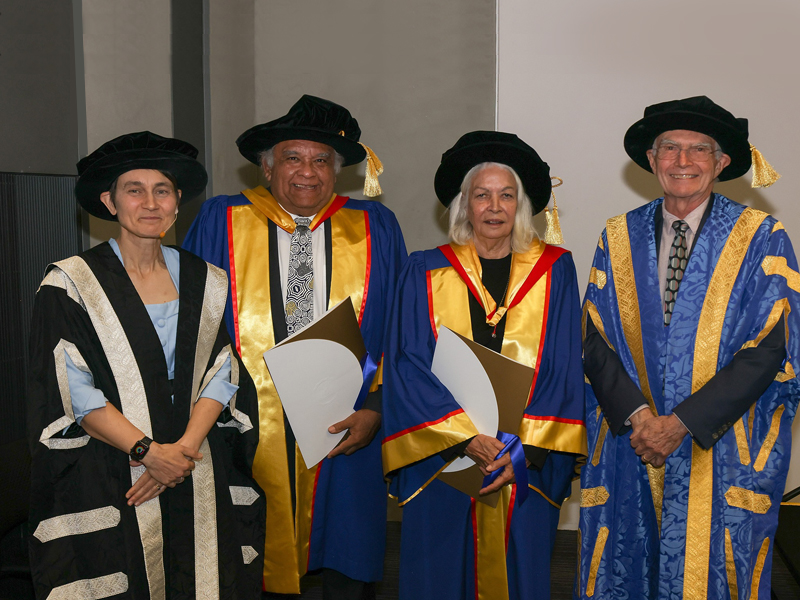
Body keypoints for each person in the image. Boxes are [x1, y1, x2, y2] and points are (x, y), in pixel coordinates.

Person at [183, 95, 407, 598]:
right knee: (249, 555)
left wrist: (376, 407)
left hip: (346, 426)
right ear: (267, 168)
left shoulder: (375, 228)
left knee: (343, 562)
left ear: (339, 170)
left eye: (322, 160)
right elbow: (190, 326)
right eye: (293, 158)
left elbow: (402, 328)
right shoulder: (222, 220)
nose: (308, 172)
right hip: (243, 425)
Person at [578, 96, 800, 599]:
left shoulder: (762, 237)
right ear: (651, 160)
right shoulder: (618, 235)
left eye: (699, 150)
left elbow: (768, 348)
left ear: (721, 163)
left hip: (722, 444)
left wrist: (680, 423)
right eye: (670, 149)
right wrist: (640, 417)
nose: (683, 162)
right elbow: (594, 338)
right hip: (632, 440)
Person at [27, 131, 265, 599]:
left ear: (178, 202)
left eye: (163, 190)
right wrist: (148, 454)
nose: (150, 202)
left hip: (194, 460)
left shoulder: (206, 279)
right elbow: (72, 389)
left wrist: (182, 453)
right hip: (112, 463)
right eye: (134, 189)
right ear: (109, 201)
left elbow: (222, 372)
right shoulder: (71, 283)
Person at [382, 131, 586, 600]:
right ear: (463, 206)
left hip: (525, 462)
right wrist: (465, 437)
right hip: (444, 460)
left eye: (506, 195)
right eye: (482, 195)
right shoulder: (424, 270)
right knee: (438, 574)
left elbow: (562, 367)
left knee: (522, 574)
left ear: (521, 205)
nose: (494, 207)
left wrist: (521, 454)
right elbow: (407, 363)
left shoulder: (555, 269)